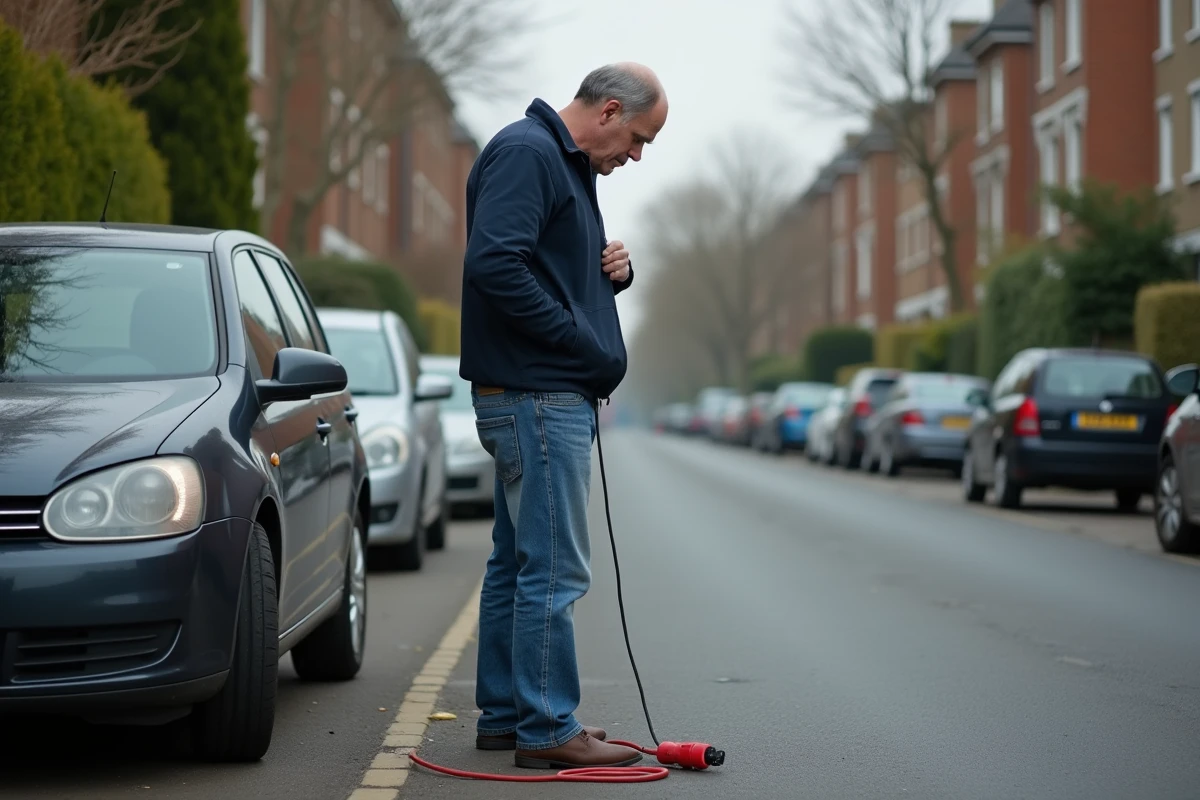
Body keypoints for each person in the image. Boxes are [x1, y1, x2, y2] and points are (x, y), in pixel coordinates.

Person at [458, 63, 668, 770]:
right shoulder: (529, 153)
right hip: (538, 398)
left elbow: (540, 267)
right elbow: (496, 265)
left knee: (518, 564)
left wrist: (612, 272)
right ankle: (547, 727)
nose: (635, 156)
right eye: (638, 138)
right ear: (609, 111)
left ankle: (507, 715)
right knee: (553, 569)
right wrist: (583, 346)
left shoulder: (562, 166)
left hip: (531, 395)